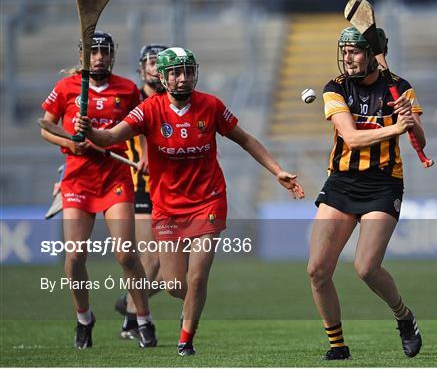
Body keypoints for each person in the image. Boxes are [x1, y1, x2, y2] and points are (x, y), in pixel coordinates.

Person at [75, 47, 305, 356]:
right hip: (167, 208)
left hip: (208, 202)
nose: (183, 79)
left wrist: (277, 171)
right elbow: (110, 137)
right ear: (164, 77)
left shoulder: (210, 106)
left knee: (197, 276)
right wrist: (90, 131)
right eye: (175, 73)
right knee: (174, 285)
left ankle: (186, 340)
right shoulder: (149, 109)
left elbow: (246, 139)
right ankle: (191, 305)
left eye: (188, 72)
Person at [307, 26, 426, 360]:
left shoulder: (401, 89)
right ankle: (337, 345)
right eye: (344, 51)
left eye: (355, 51)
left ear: (374, 55)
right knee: (317, 270)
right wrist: (395, 127)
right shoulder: (336, 88)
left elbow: (421, 141)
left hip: (383, 184)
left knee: (366, 268)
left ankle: (404, 317)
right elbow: (352, 137)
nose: (347, 58)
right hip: (342, 182)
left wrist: (411, 122)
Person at [40, 31, 157, 349]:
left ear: (112, 55)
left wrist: (145, 154)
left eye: (104, 51)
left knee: (125, 253)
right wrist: (70, 144)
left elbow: (142, 124)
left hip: (116, 178)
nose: (99, 57)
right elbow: (46, 126)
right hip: (78, 180)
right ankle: (84, 318)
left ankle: (143, 319)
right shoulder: (67, 88)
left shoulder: (127, 89)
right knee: (75, 255)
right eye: (94, 51)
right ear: (83, 56)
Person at [115, 44, 169, 340]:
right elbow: (108, 135)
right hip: (142, 186)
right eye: (150, 62)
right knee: (152, 259)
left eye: (160, 63)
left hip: (172, 189)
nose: (154, 67)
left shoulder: (172, 100)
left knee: (175, 268)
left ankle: (129, 306)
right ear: (141, 68)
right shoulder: (131, 100)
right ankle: (133, 320)